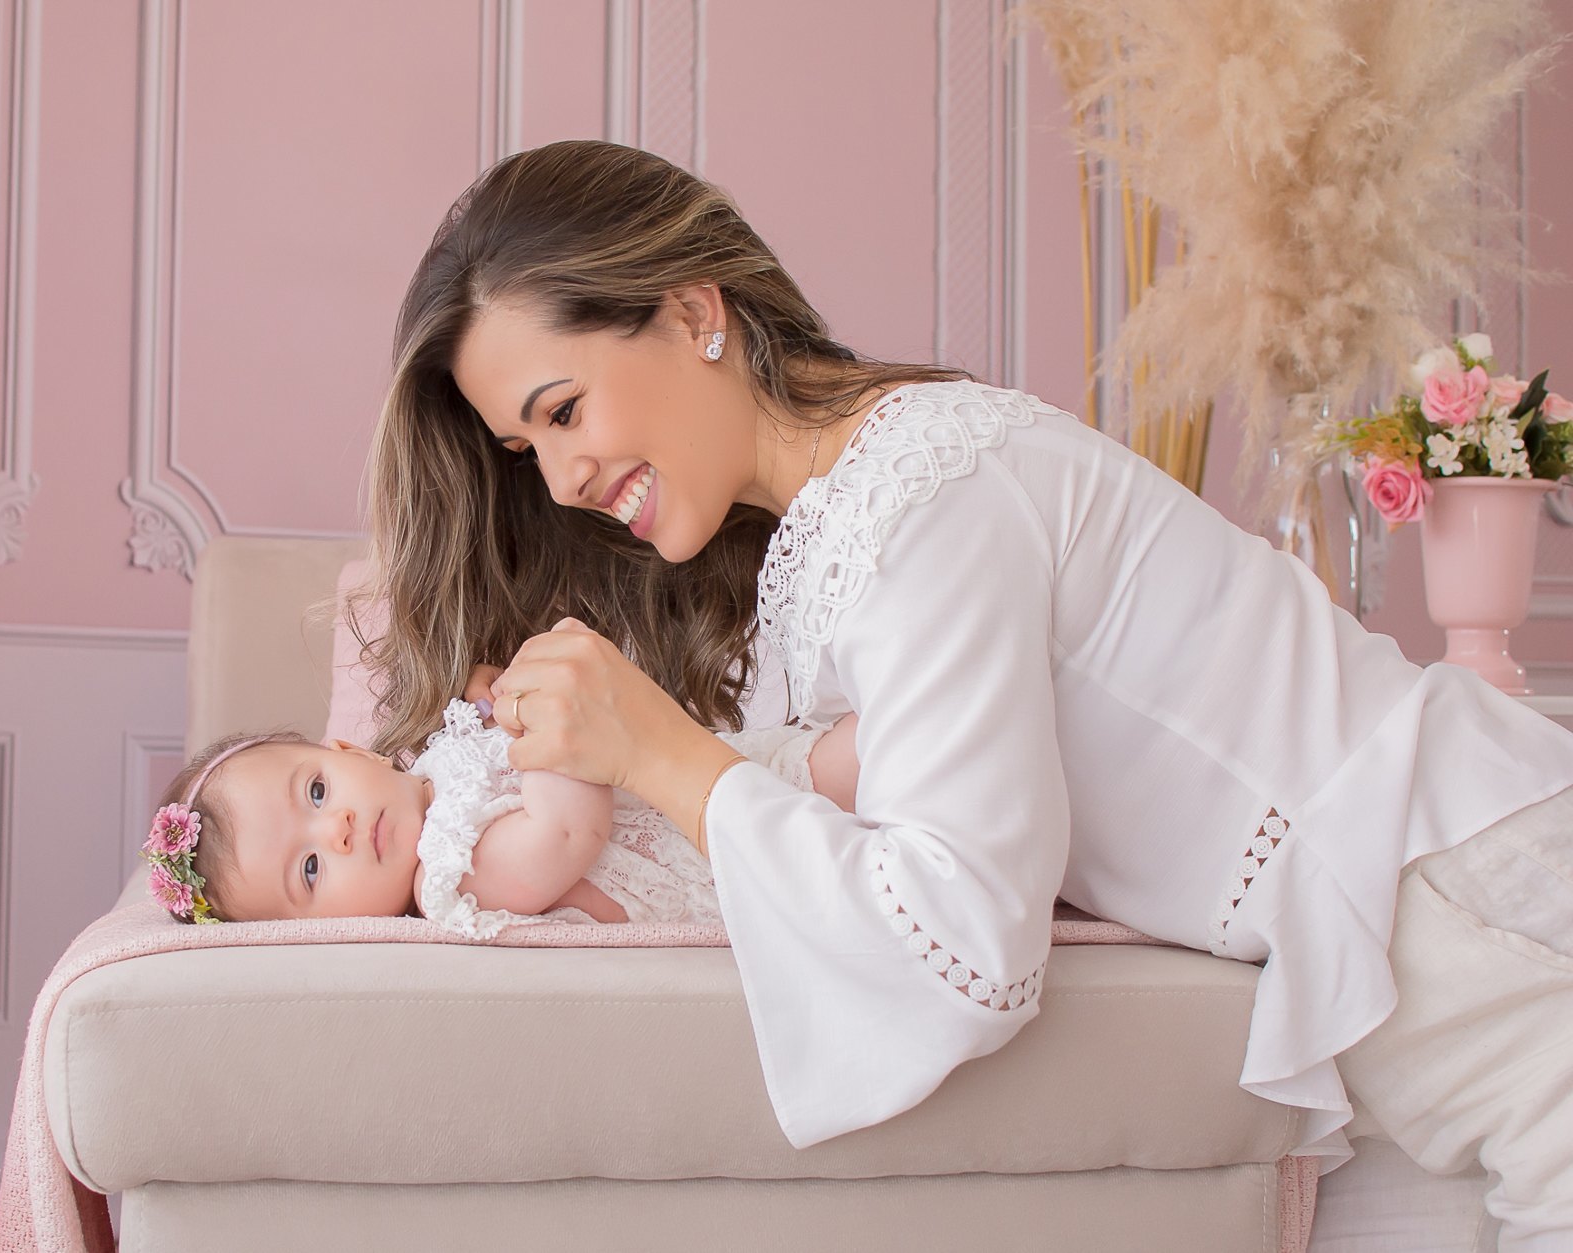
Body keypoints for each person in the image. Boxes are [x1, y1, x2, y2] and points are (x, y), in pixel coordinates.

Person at [360, 137, 1573, 1248]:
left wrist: (667, 757)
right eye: (528, 452)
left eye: (563, 412)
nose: (565, 477)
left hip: (1453, 890)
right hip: (1395, 921)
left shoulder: (921, 500)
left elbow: (966, 946)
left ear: (692, 311)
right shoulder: (844, 523)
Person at [141, 697, 858, 934]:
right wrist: (539, 707)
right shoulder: (450, 878)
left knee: (852, 742)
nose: (340, 830)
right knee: (860, 770)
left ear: (348, 748)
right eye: (311, 867)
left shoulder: (437, 767)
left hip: (708, 770)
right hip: (721, 846)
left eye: (318, 793)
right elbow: (569, 829)